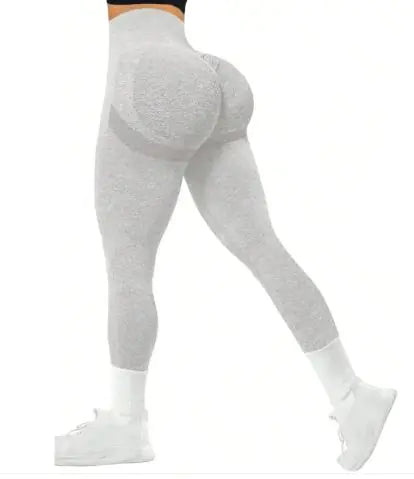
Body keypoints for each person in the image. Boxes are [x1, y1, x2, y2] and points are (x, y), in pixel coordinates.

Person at [54, 0, 397, 470]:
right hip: (211, 74)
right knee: (262, 246)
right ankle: (352, 394)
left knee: (128, 262)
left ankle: (125, 424)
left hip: (149, 75)